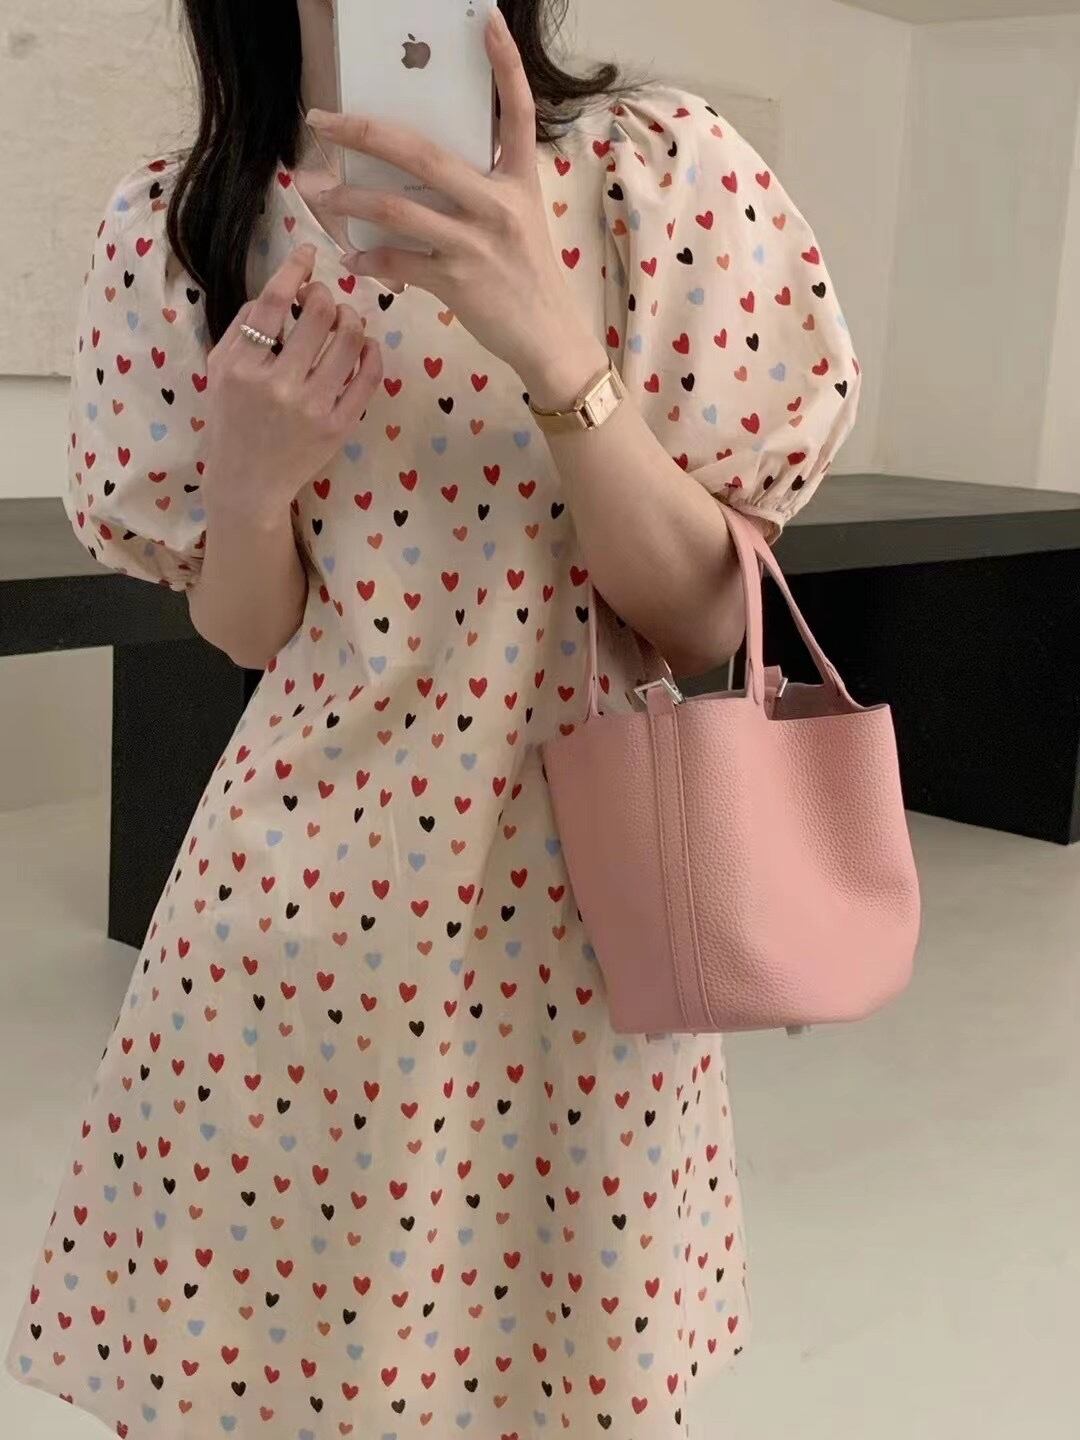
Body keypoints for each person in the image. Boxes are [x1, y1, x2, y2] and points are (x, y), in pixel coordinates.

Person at [5, 1, 862, 1435]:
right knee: (271, 1386)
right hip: (286, 943)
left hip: (583, 944)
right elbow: (251, 636)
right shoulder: (184, 228)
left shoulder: (659, 180)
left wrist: (557, 352)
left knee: (555, 1384)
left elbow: (703, 622)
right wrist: (250, 484)